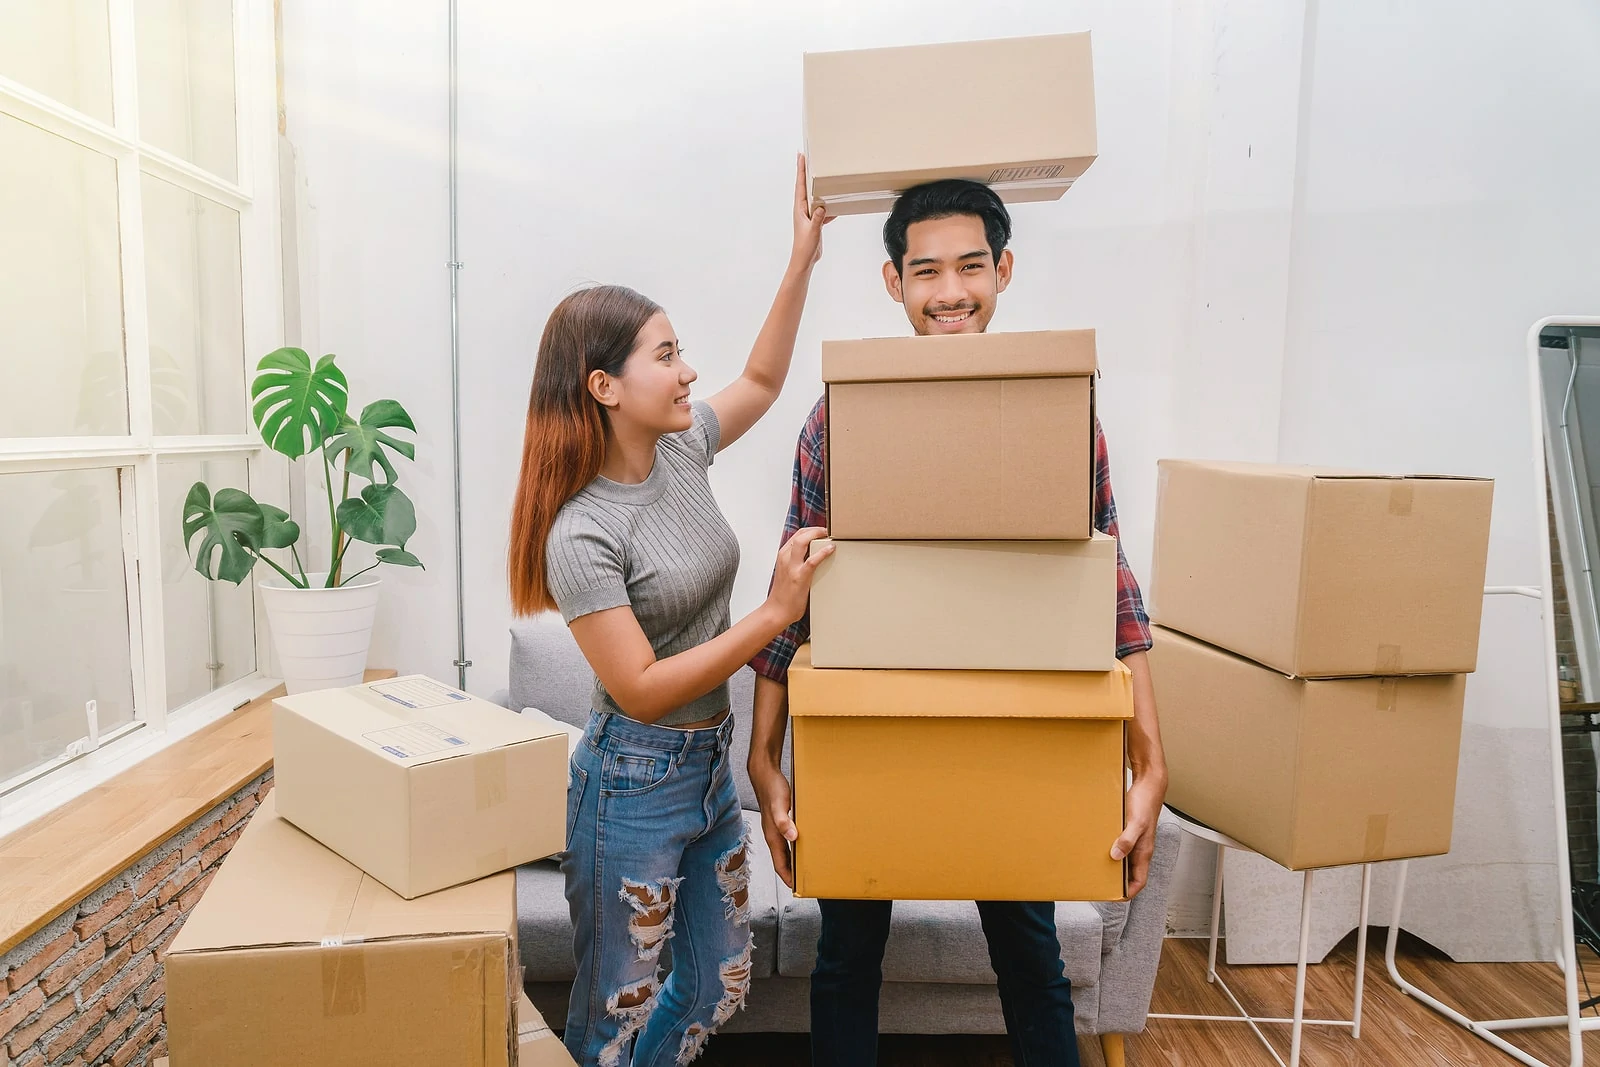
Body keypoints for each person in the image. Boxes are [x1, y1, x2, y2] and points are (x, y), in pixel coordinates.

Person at [746, 179, 1169, 1067]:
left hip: (1012, 726)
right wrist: (766, 756)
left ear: (1004, 270)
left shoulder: (1057, 412)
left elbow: (1111, 586)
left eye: (971, 266)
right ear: (893, 282)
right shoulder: (837, 420)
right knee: (847, 955)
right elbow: (795, 590)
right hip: (869, 727)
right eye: (926, 270)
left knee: (1030, 954)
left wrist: (1148, 759)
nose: (950, 291)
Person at [507, 157, 832, 1067]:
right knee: (616, 1007)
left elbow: (763, 381)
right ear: (603, 385)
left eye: (681, 351)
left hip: (706, 771)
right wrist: (775, 613)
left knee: (721, 978)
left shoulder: (684, 447)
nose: (690, 371)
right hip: (632, 783)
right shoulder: (580, 534)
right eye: (665, 355)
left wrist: (802, 257)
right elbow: (641, 689)